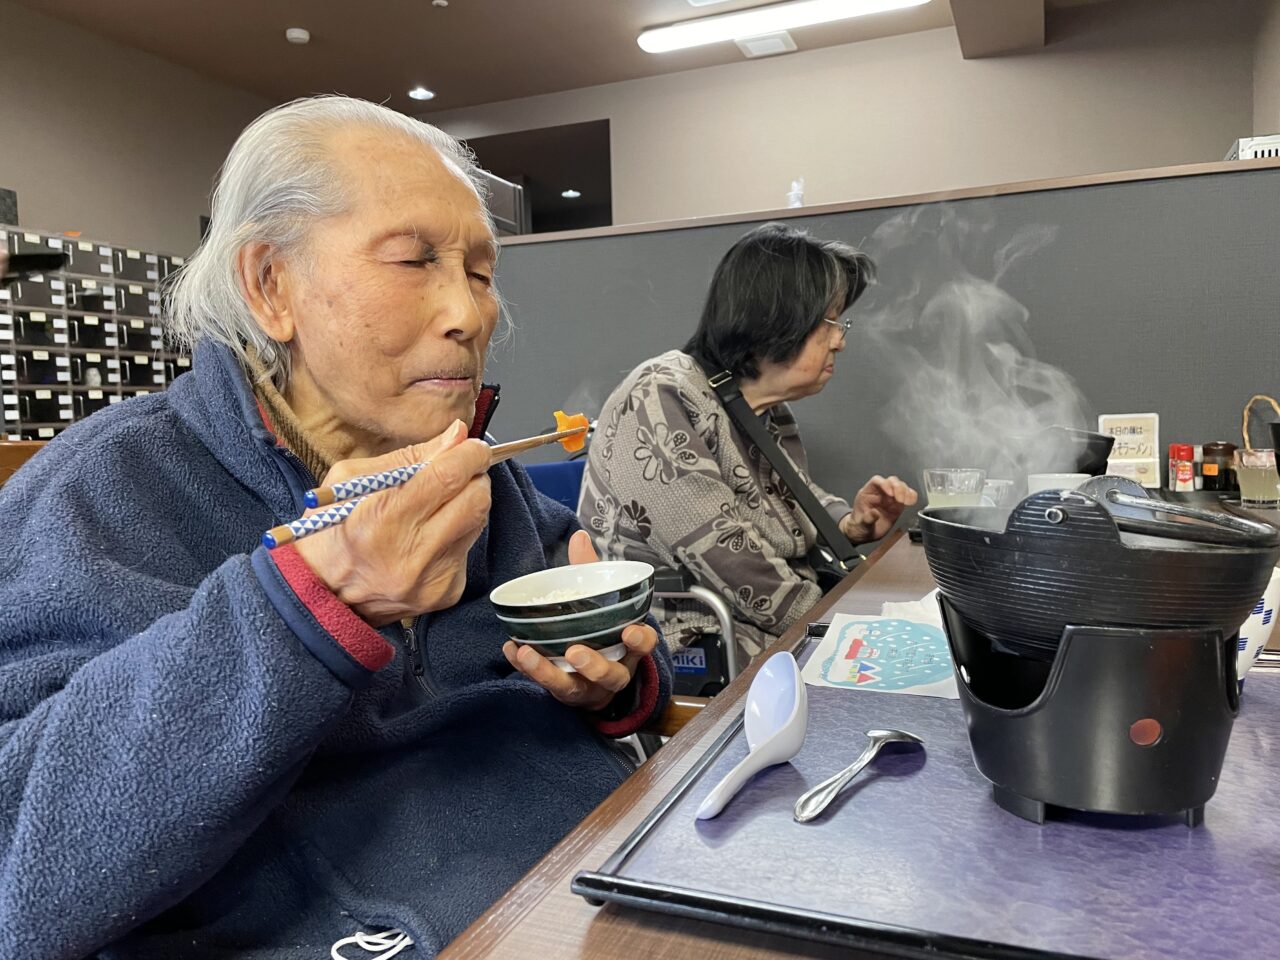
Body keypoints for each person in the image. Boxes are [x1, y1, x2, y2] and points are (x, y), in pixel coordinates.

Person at [0, 96, 670, 959]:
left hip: (605, 882)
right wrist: (316, 600)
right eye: (415, 260)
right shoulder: (100, 493)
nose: (470, 315)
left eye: (479, 271)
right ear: (270, 286)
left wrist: (610, 684)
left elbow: (599, 661)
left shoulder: (476, 474)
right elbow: (22, 866)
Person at [579, 222, 916, 663]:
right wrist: (845, 625)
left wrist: (850, 524)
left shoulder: (760, 408)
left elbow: (792, 497)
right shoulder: (661, 394)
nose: (840, 341)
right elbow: (727, 556)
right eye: (830, 321)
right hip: (691, 639)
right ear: (778, 317)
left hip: (770, 624)